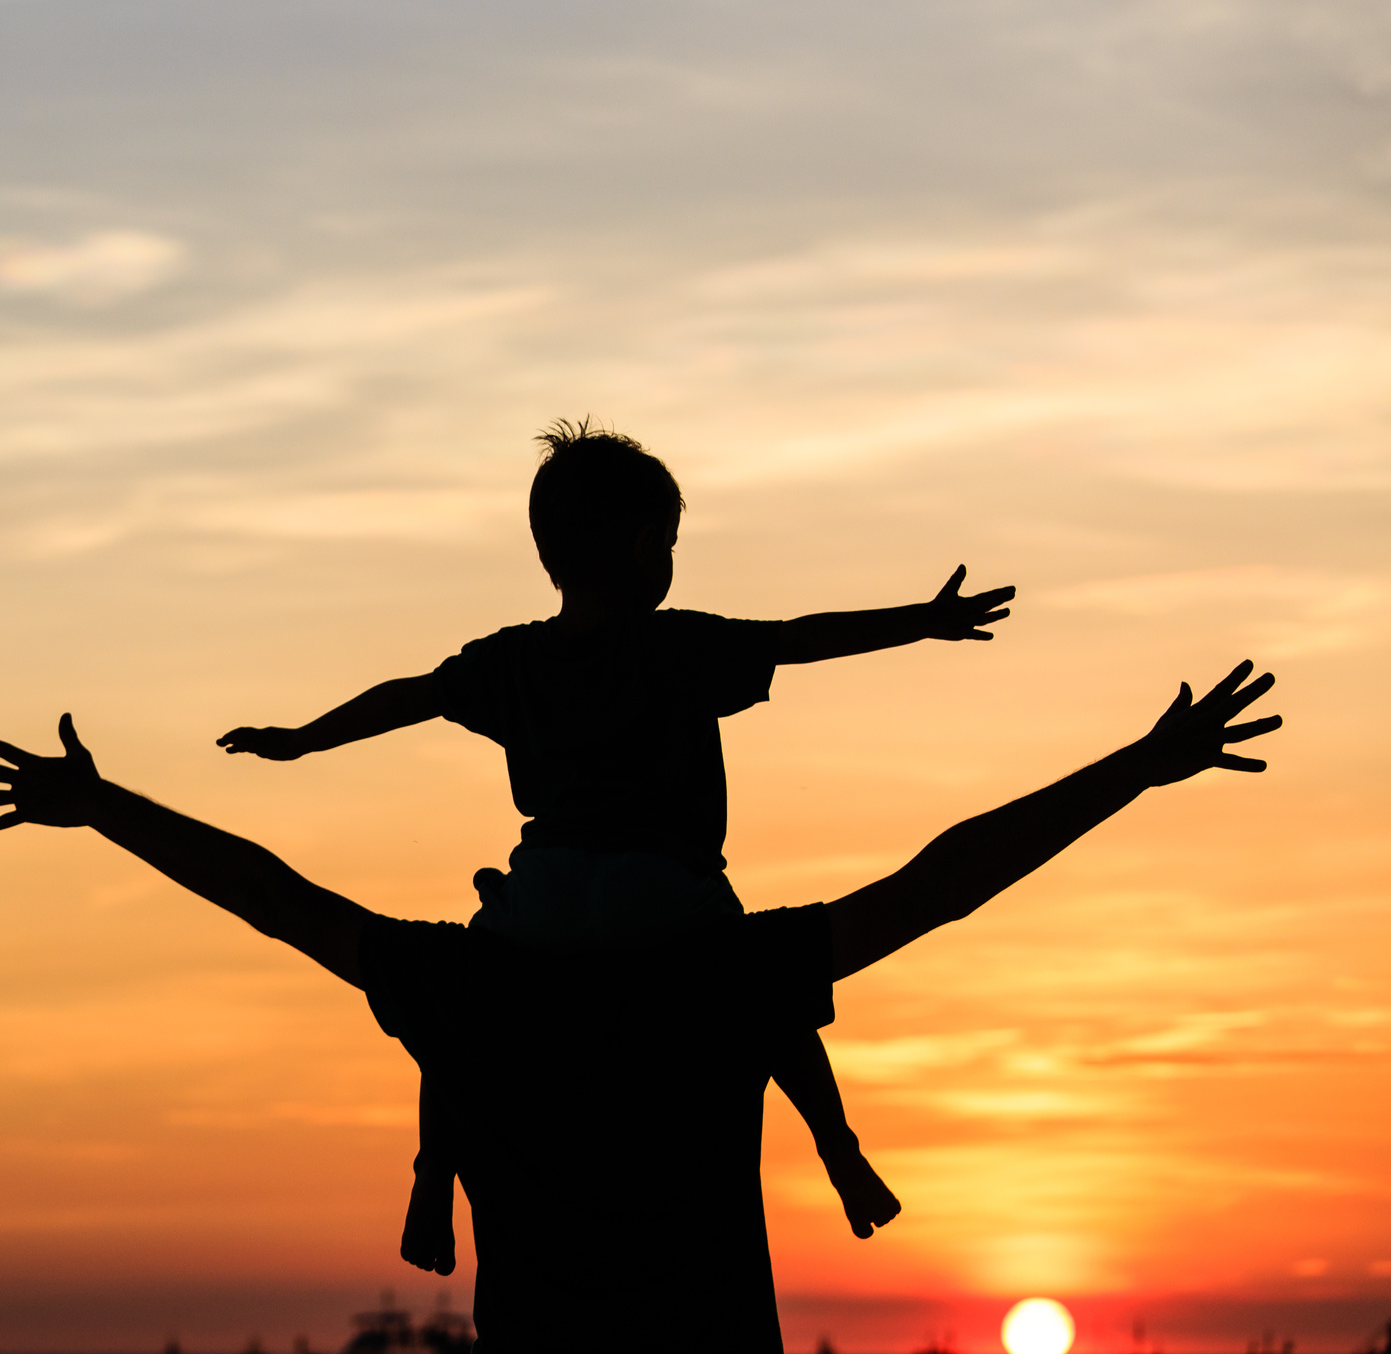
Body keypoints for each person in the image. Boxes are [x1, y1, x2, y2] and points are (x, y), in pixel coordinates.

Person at [0, 661, 1278, 1354]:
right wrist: (1138, 767)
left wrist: (106, 807)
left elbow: (274, 895)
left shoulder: (465, 984)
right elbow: (941, 881)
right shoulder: (725, 977)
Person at [216, 419, 1016, 1269]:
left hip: (543, 896)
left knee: (452, 1010)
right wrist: (922, 621)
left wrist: (301, 740)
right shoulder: (676, 645)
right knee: (770, 987)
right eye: (668, 544)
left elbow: (405, 696)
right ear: (644, 547)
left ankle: (432, 1180)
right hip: (666, 892)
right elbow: (802, 637)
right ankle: (840, 1152)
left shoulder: (511, 660)